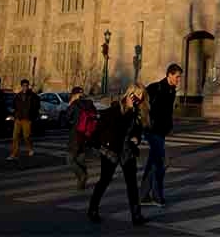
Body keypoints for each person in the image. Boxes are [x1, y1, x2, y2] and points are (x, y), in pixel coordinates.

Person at [87, 84, 150, 226]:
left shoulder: (138, 111)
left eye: (141, 95)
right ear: (129, 94)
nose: (139, 98)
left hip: (127, 150)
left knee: (132, 184)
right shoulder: (116, 109)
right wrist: (129, 110)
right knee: (105, 180)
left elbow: (137, 131)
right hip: (112, 150)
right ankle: (93, 209)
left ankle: (136, 215)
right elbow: (114, 128)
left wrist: (136, 138)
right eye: (136, 95)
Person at [140, 63, 183, 207]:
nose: (178, 80)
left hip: (161, 130)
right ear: (169, 75)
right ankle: (157, 196)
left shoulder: (172, 90)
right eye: (177, 77)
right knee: (161, 163)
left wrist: (169, 126)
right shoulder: (155, 87)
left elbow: (168, 112)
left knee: (153, 162)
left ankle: (144, 195)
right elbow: (142, 104)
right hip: (152, 130)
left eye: (179, 77)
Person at [66, 86, 97, 189]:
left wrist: (70, 104)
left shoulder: (74, 104)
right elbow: (95, 116)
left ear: (74, 95)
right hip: (87, 135)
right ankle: (81, 182)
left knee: (70, 160)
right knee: (81, 158)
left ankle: (82, 176)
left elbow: (67, 118)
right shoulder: (90, 103)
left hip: (76, 135)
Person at [7, 79, 40, 161]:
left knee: (26, 136)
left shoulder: (33, 96)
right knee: (15, 137)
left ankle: (30, 148)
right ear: (21, 86)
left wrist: (33, 116)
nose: (25, 87)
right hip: (18, 118)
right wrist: (13, 115)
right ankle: (14, 154)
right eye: (23, 86)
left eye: (26, 86)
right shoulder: (18, 96)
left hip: (27, 119)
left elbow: (36, 107)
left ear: (28, 86)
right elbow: (14, 106)